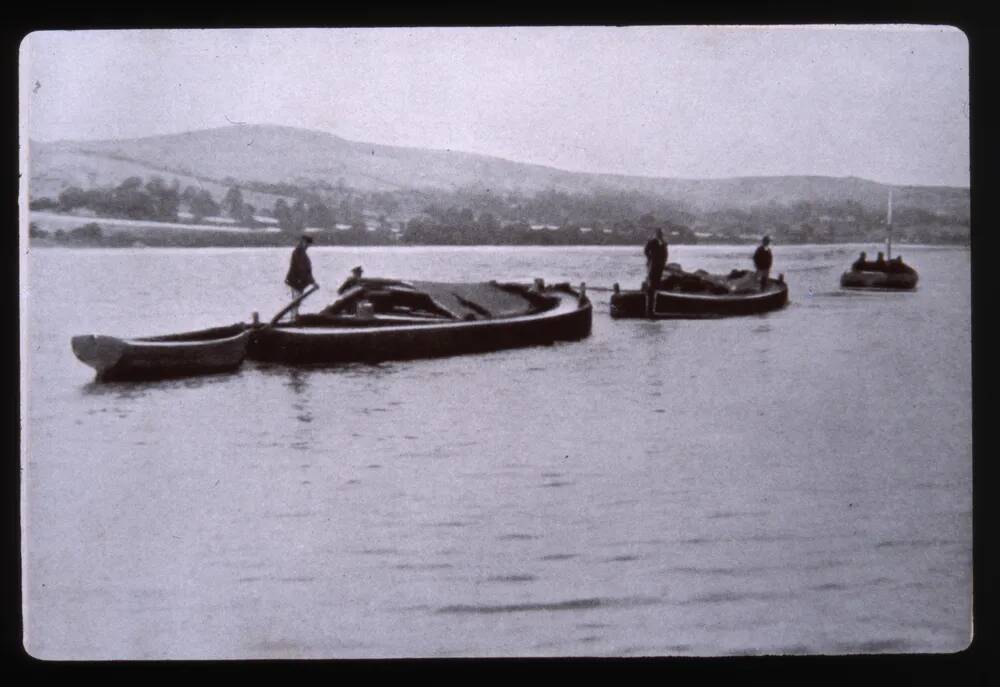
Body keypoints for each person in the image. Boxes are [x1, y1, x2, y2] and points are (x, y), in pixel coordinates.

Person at [285, 235, 318, 320]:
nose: (308, 246)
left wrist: (311, 280)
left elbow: (305, 270)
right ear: (304, 242)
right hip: (296, 281)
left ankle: (294, 316)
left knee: (296, 301)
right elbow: (302, 269)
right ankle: (293, 318)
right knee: (296, 301)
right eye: (307, 244)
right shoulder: (299, 252)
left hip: (298, 281)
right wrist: (312, 282)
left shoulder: (301, 252)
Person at [643, 229, 668, 316]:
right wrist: (650, 258)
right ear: (656, 234)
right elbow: (646, 251)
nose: (660, 235)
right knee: (652, 285)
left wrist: (664, 263)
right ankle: (649, 309)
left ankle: (653, 306)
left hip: (660, 266)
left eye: (661, 234)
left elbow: (665, 254)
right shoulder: (652, 242)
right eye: (659, 234)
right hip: (653, 265)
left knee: (656, 284)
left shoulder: (664, 243)